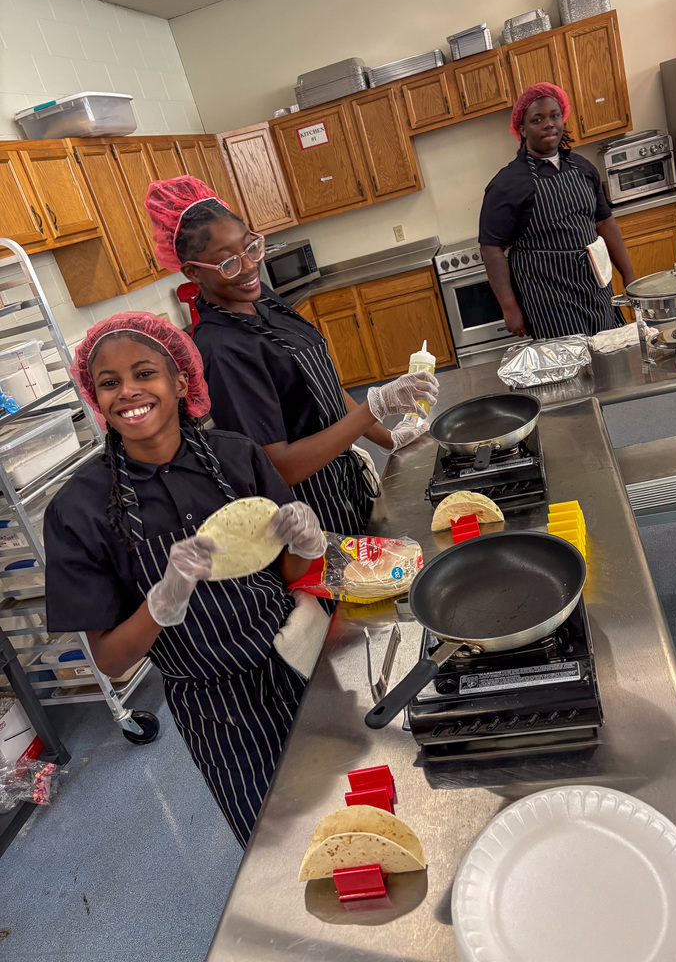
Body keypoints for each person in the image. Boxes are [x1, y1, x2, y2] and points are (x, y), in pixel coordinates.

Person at [44, 312, 328, 848]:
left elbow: (289, 574)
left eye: (144, 373)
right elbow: (110, 660)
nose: (127, 392)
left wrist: (303, 543)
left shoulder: (236, 456)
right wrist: (166, 596)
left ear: (180, 380)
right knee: (276, 843)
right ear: (95, 397)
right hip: (216, 710)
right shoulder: (77, 510)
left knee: (346, 798)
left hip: (299, 656)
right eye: (109, 383)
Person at [143, 177, 439, 536]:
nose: (250, 267)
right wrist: (373, 408)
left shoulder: (259, 298)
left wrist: (387, 437)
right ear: (192, 272)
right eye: (227, 264)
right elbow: (276, 467)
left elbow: (321, 386)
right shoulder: (222, 350)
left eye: (251, 247)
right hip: (311, 515)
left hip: (345, 486)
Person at [479, 82, 635, 340]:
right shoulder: (507, 184)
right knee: (570, 368)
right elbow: (491, 248)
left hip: (594, 286)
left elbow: (605, 223)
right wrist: (509, 307)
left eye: (554, 116)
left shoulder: (582, 168)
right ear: (522, 129)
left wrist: (629, 276)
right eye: (537, 119)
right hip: (547, 296)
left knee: (609, 353)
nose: (549, 123)